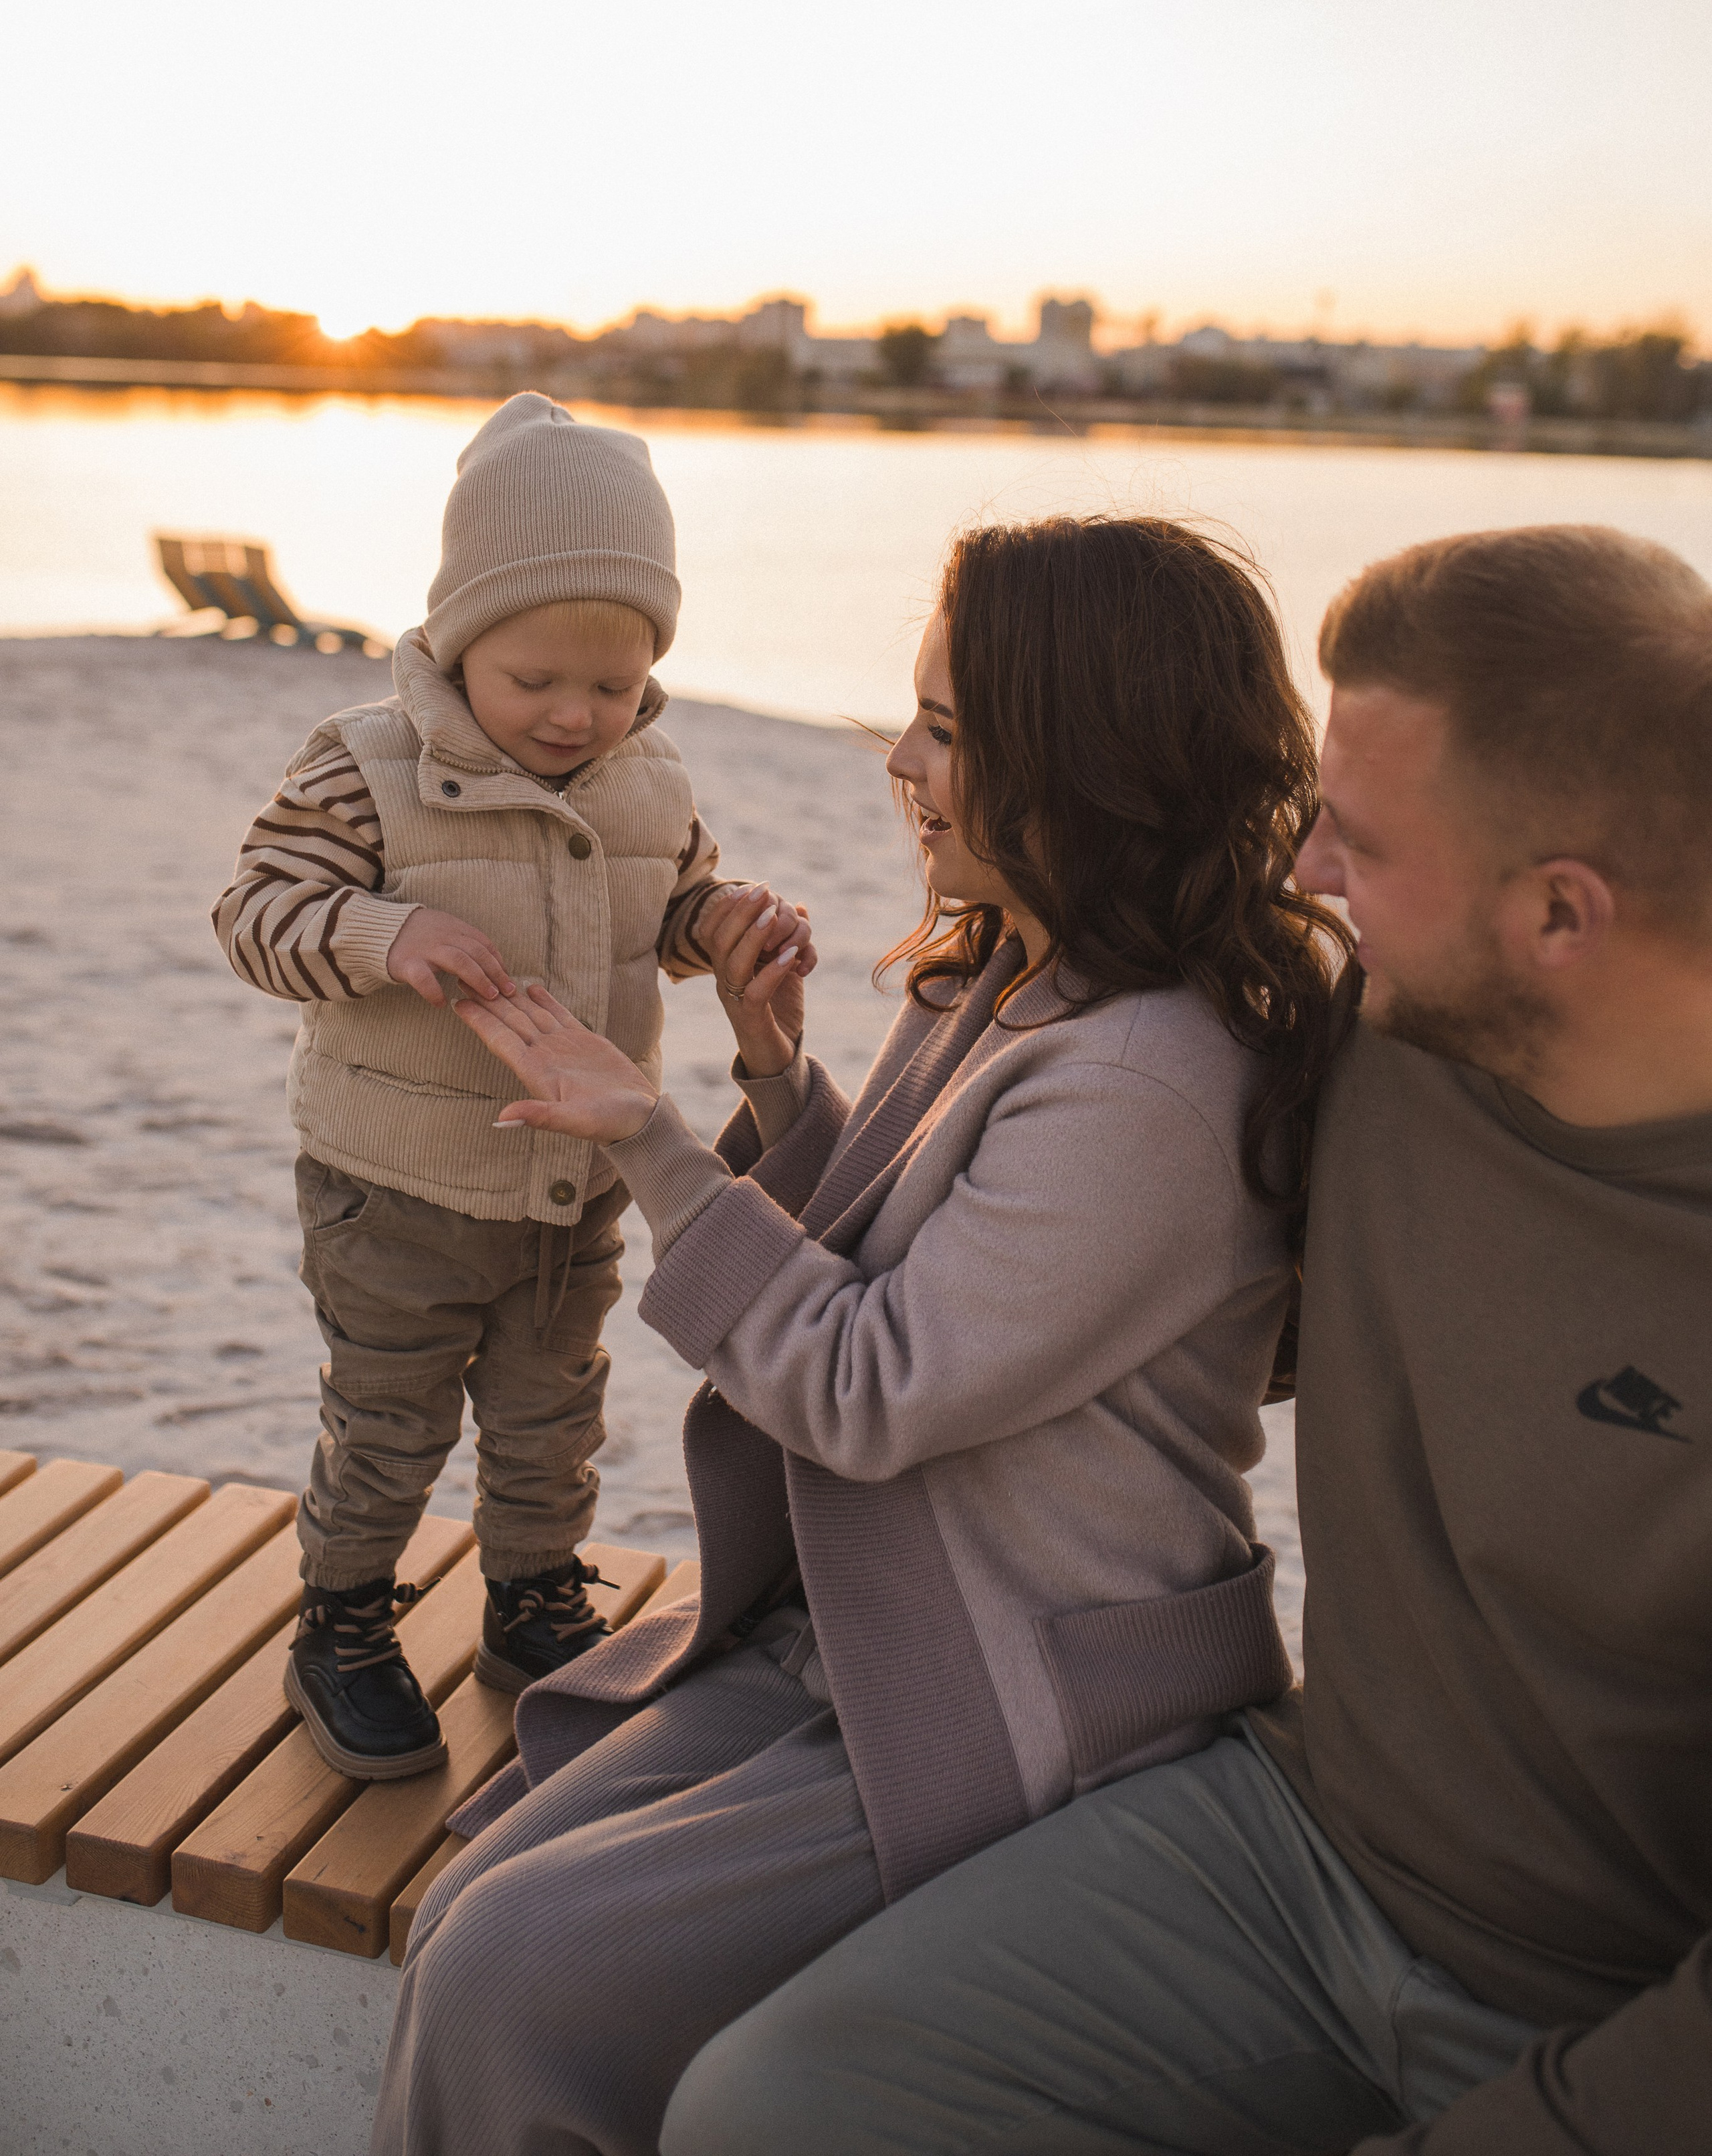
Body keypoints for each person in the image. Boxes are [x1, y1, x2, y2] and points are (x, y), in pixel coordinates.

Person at [663, 521, 1712, 2156]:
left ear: (1559, 916)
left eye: (1356, 844)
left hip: (1596, 1999)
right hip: (1298, 1846)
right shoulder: (1377, 1043)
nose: (1300, 878)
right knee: (767, 2110)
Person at [368, 512, 1348, 2156]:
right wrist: (770, 1080)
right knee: (471, 1889)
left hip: (1011, 1679)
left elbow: (869, 1385)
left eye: (951, 729)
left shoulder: (1144, 1079)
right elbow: (909, 1272)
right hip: (856, 1634)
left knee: (519, 1977)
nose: (903, 758)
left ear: (1084, 749)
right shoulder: (1016, 977)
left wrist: (653, 1143)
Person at [212, 391, 809, 1777]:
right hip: (397, 1182)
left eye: (610, 685)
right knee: (391, 1416)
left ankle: (530, 1600)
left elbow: (664, 904)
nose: (573, 715)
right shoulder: (364, 767)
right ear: (458, 635)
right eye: (535, 678)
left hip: (572, 1181)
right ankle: (343, 1618)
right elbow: (253, 915)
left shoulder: (646, 775)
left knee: (553, 1409)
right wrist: (378, 930)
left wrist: (712, 929)